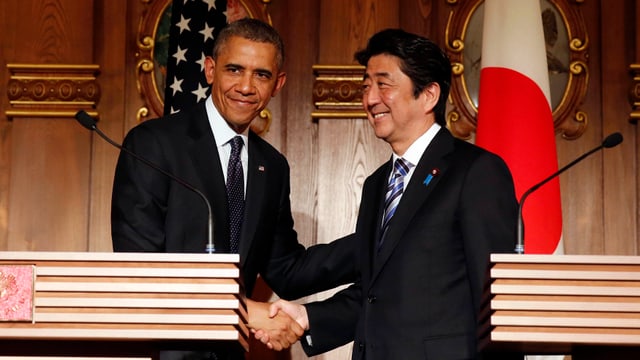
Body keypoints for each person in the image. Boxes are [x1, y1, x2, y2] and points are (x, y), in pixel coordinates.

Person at [256, 28, 519, 359]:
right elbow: (375, 292)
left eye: (384, 84)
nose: (370, 99)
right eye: (367, 86)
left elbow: (495, 296)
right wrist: (308, 317)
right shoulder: (379, 182)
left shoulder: (475, 172)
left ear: (428, 95)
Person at [111, 18, 356, 359]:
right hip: (163, 350)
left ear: (278, 83)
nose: (246, 86)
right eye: (234, 70)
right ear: (210, 70)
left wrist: (373, 243)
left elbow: (286, 270)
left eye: (262, 74)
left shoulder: (272, 165)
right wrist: (241, 309)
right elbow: (139, 268)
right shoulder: (153, 145)